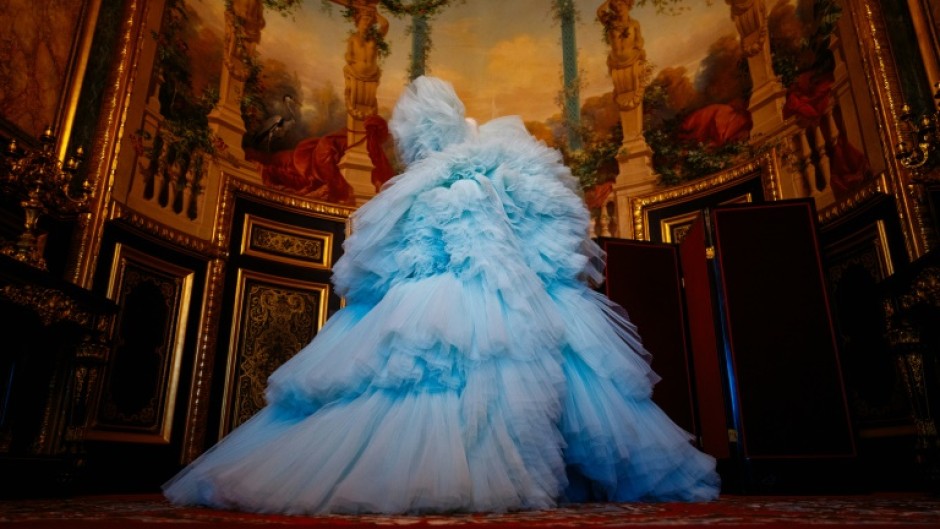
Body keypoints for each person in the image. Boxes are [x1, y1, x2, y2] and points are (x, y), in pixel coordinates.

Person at [163, 76, 720, 514]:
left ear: (421, 140)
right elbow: (550, 246)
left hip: (449, 297)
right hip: (497, 296)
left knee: (419, 375)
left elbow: (404, 262)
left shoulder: (438, 187)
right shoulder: (494, 173)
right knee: (530, 374)